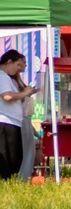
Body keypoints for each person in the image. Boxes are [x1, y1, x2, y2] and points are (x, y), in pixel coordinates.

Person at [0, 49, 31, 181]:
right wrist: (24, 93)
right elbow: (7, 96)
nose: (19, 68)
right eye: (17, 65)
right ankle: (7, 183)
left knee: (15, 157)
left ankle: (10, 182)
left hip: (13, 121)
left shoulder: (9, 78)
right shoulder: (2, 76)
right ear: (9, 62)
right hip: (6, 121)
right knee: (8, 158)